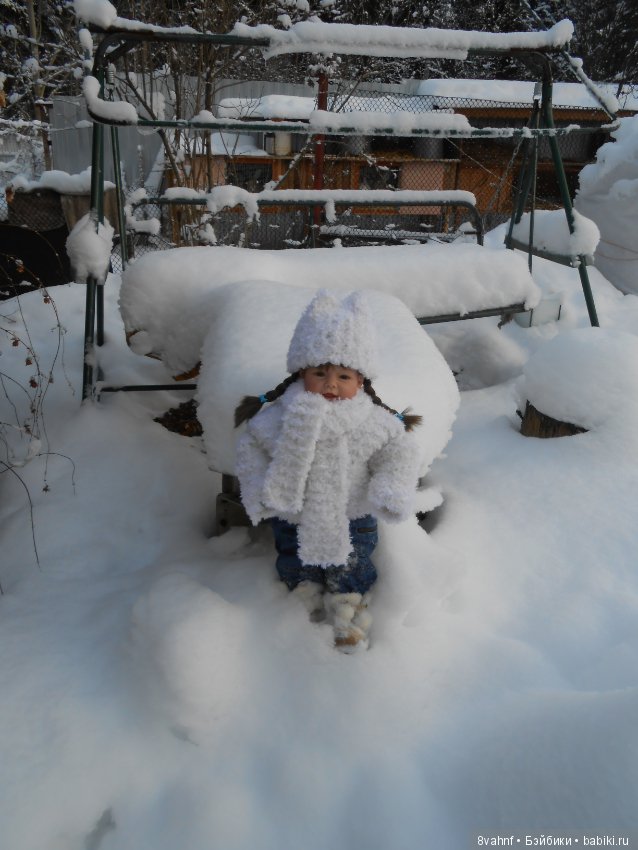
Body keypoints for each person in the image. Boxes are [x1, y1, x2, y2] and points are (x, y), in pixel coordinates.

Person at [234, 289, 421, 651]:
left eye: (344, 376)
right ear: (301, 373)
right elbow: (251, 448)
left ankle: (348, 610)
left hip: (352, 515)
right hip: (293, 515)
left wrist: (390, 489)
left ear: (362, 380)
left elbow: (398, 452)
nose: (331, 384)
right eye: (320, 373)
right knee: (294, 559)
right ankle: (301, 602)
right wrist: (258, 488)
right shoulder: (279, 419)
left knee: (351, 564)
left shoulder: (374, 422)